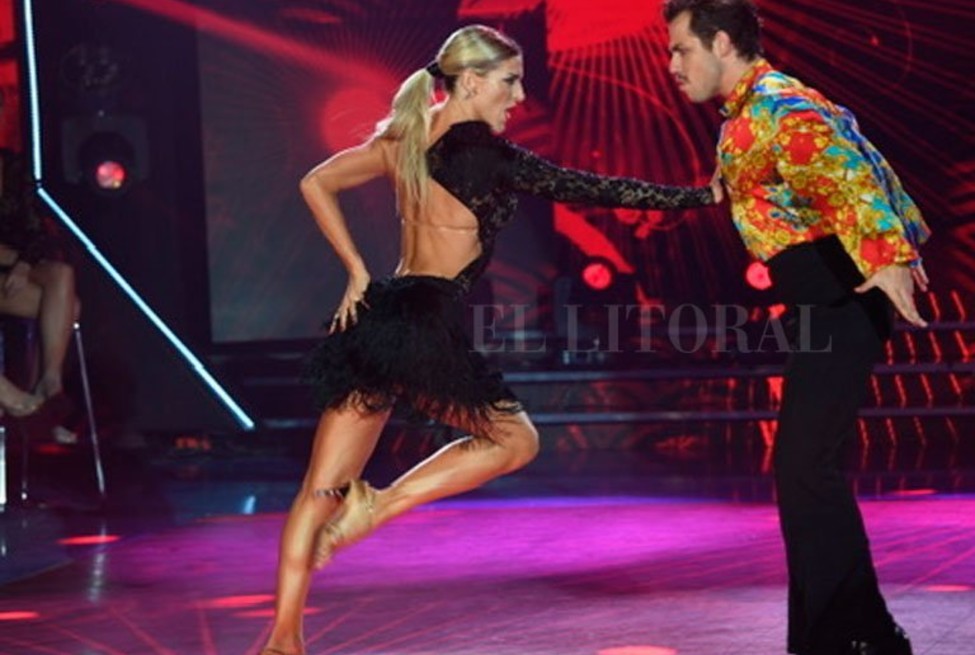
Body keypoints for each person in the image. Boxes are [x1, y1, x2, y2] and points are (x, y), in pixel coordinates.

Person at [259, 24, 719, 655]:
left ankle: (283, 637)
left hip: (381, 315)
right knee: (515, 440)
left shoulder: (405, 139)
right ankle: (379, 508)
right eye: (508, 82)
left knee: (319, 487)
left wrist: (358, 271)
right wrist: (703, 196)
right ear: (471, 82)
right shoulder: (486, 157)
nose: (519, 96)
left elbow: (316, 180)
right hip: (425, 323)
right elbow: (596, 189)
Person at [662, 2, 932, 654]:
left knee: (805, 468)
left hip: (843, 297)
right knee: (802, 470)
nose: (672, 65)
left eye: (681, 50)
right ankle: (842, 636)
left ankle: (858, 637)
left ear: (721, 41)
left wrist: (890, 254)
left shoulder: (780, 103)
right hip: (819, 305)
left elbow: (852, 171)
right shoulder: (748, 114)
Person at [0, 147, 79, 419]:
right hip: (6, 264)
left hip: (16, 269)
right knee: (67, 309)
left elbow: (39, 230)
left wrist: (22, 263)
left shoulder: (13, 168)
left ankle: (49, 378)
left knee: (62, 279)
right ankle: (5, 391)